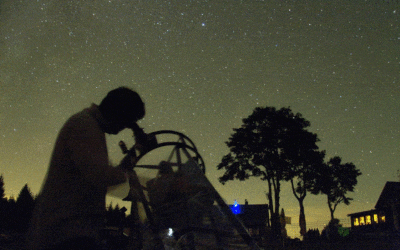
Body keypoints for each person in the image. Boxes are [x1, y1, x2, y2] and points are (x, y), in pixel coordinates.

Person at [28, 87, 145, 250]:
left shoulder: (89, 125)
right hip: (66, 233)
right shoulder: (85, 126)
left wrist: (132, 157)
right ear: (117, 112)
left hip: (71, 231)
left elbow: (98, 173)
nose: (122, 128)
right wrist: (134, 157)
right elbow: (101, 175)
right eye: (125, 122)